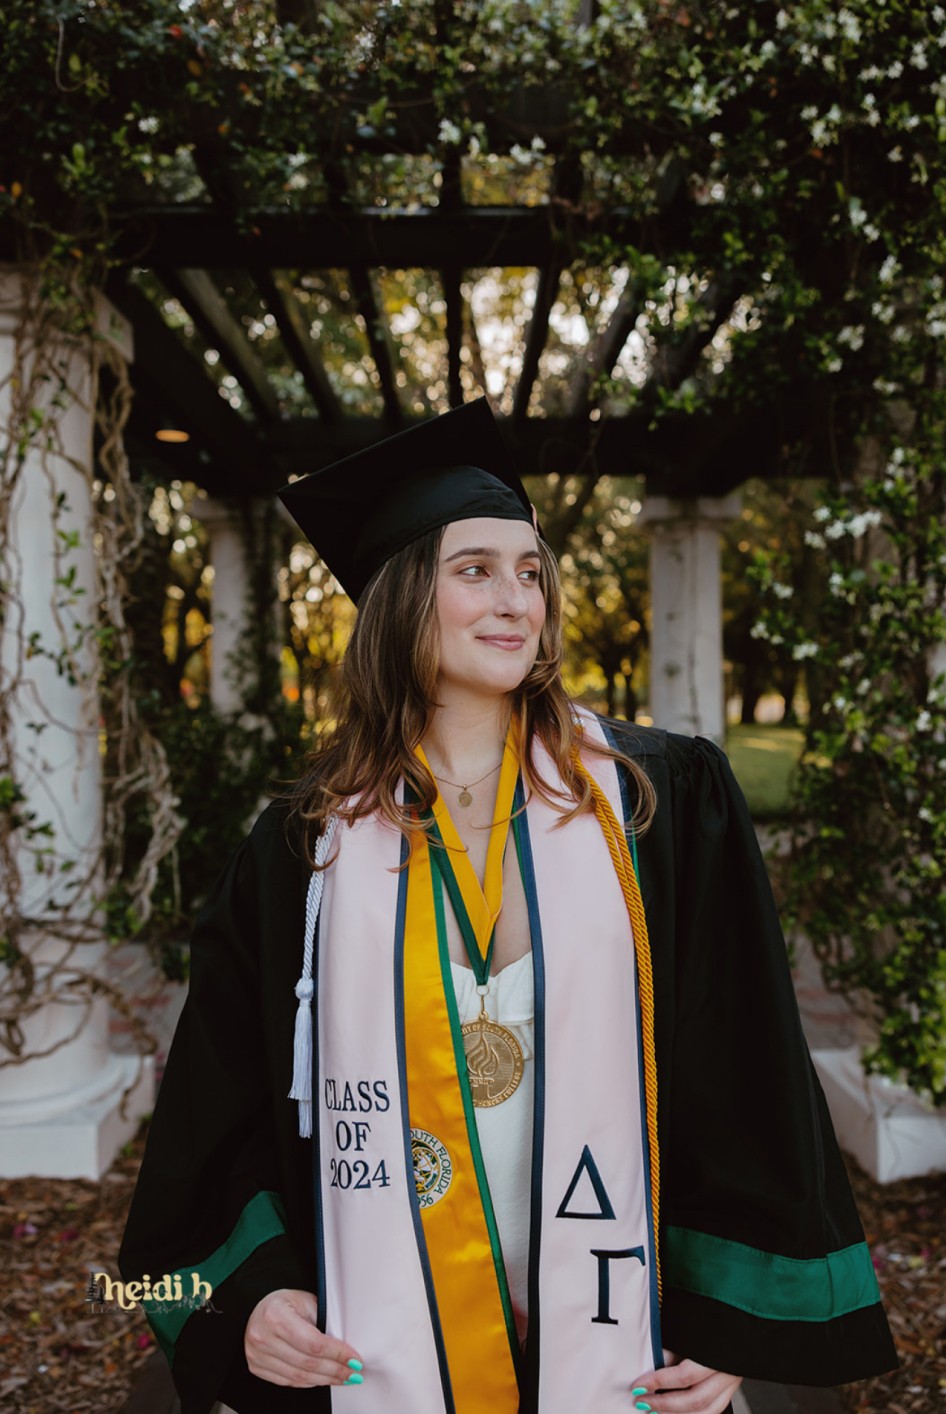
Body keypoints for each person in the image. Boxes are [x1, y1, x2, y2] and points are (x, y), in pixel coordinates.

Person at [120, 399, 897, 1414]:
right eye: (475, 568)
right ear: (403, 594)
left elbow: (739, 1061)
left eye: (530, 572)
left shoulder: (658, 803)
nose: (516, 601)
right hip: (385, 1325)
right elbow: (227, 1106)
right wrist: (250, 1293)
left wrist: (726, 1317)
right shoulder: (303, 848)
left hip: (621, 1315)